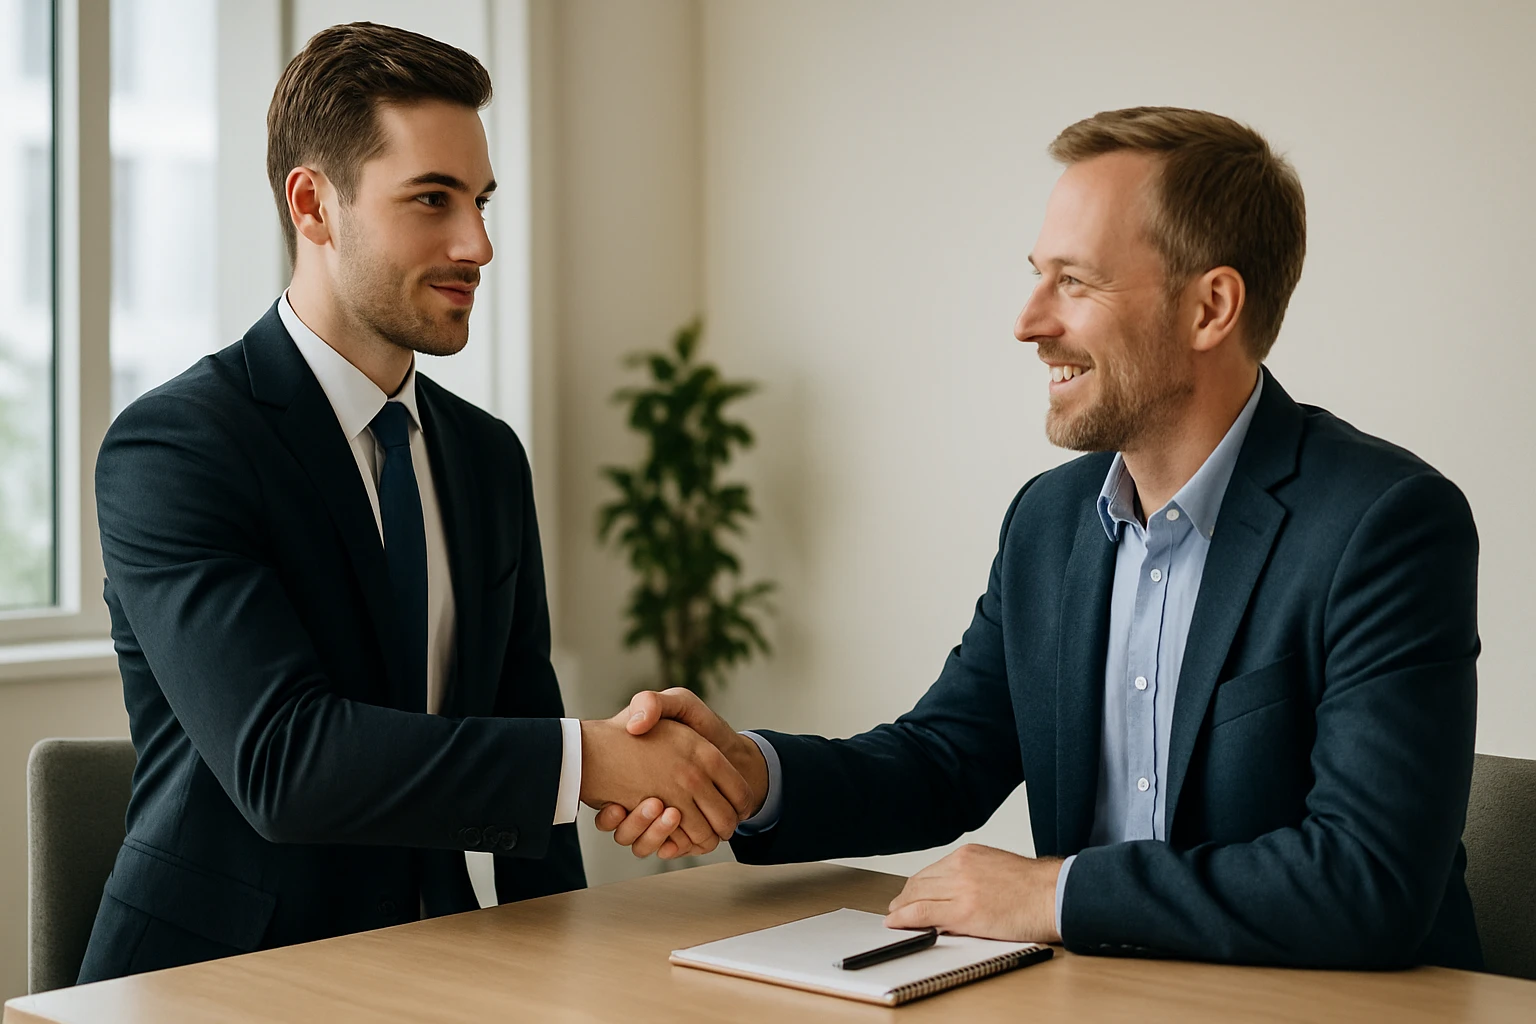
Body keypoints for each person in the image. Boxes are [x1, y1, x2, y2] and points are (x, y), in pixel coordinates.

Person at [597, 107, 1482, 970]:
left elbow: (1369, 882)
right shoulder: (1051, 520)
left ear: (1210, 307)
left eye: (1075, 280)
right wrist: (751, 774)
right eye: (1036, 274)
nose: (1028, 322)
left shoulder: (1384, 525)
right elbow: (944, 760)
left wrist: (1053, 896)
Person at [80, 22, 750, 983]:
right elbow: (285, 761)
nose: (476, 242)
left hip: (440, 966)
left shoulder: (486, 457)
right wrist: (594, 761)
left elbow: (527, 719)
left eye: (479, 201)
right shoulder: (178, 447)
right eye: (432, 200)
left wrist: (573, 966)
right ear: (313, 205)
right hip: (212, 981)